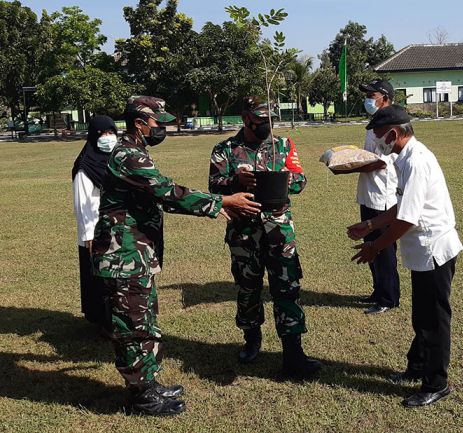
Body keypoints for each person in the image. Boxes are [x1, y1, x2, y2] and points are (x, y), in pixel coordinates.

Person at [92, 96, 261, 417]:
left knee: (143, 320)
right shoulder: (129, 155)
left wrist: (216, 204)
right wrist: (221, 202)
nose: (163, 128)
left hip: (134, 254)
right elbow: (166, 191)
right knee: (132, 326)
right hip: (122, 256)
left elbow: (162, 197)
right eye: (159, 123)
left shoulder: (134, 152)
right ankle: (141, 395)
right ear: (140, 123)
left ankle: (148, 384)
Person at [347, 105, 463, 408]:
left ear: (393, 133)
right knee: (422, 315)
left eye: (378, 138)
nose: (376, 144)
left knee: (434, 320)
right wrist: (371, 224)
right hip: (423, 250)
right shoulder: (405, 157)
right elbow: (402, 207)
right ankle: (418, 366)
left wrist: (376, 246)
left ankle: (436, 383)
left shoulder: (417, 161)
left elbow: (408, 219)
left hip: (434, 249)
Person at [208, 97, 322, 378]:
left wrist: (279, 178)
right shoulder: (226, 150)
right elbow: (213, 186)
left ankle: (293, 352)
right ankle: (251, 340)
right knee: (248, 289)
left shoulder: (282, 146)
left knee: (287, 289)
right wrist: (237, 181)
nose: (267, 126)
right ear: (246, 119)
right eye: (261, 121)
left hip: (279, 231)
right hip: (244, 233)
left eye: (271, 120)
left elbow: (300, 180)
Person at [352, 79, 401, 314]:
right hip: (369, 193)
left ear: (386, 99)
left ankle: (389, 297)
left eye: (373, 96)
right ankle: (378, 290)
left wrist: (350, 166)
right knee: (371, 245)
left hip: (384, 195)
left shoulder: (392, 126)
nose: (368, 100)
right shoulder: (374, 125)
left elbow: (382, 162)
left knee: (385, 248)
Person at [71, 115, 118, 333]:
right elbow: (83, 204)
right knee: (98, 280)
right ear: (93, 136)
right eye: (102, 134)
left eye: (111, 133)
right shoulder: (85, 166)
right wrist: (89, 236)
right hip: (95, 234)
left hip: (115, 229)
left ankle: (114, 320)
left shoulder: (116, 160)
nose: (108, 138)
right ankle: (102, 322)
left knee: (114, 279)